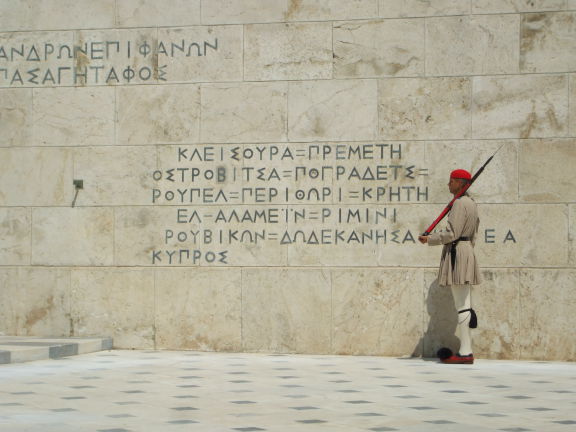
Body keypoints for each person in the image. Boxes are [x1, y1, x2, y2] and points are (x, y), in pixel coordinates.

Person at [418, 169, 482, 364]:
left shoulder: (460, 204)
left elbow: (452, 233)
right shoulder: (471, 203)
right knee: (464, 303)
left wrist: (430, 239)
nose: (448, 185)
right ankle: (465, 350)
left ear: (460, 183)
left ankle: (465, 353)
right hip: (465, 250)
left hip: (457, 252)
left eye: (451, 181)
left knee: (462, 304)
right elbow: (474, 232)